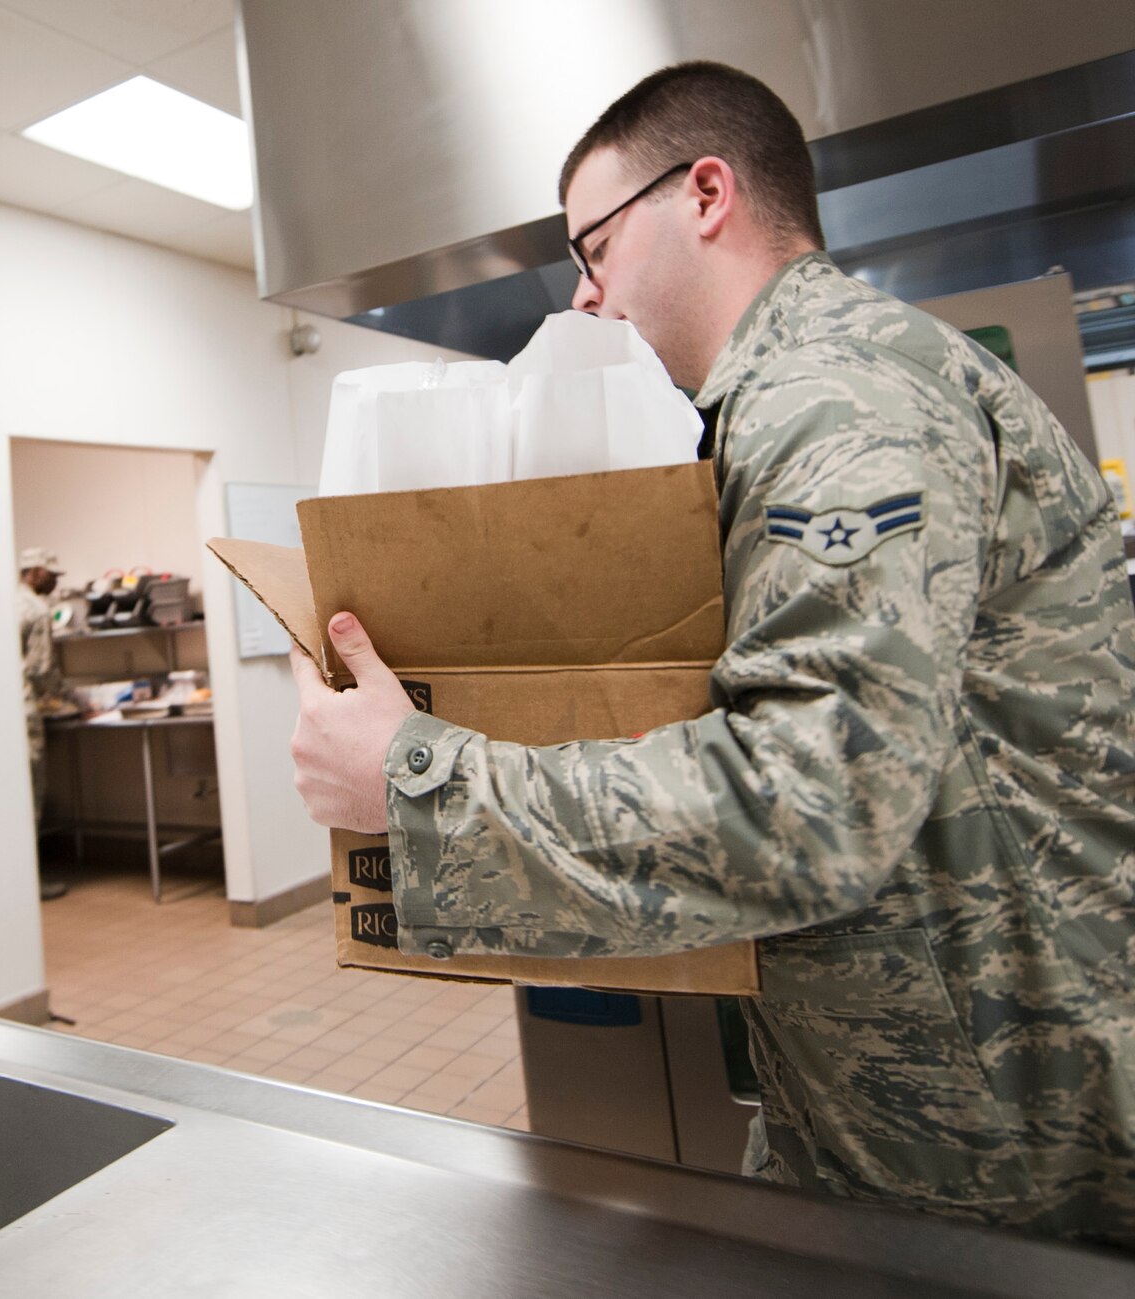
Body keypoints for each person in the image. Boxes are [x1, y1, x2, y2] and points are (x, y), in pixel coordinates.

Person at [288, 61, 1135, 1248]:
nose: (582, 298)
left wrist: (412, 781)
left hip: (995, 1156)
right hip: (912, 1118)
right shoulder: (789, 402)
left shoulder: (833, 400)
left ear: (702, 194)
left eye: (591, 246)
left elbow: (815, 801)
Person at [19, 547, 69, 901]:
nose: (55, 582)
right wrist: (73, 698)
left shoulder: (5, 602)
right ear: (35, 572)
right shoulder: (37, 610)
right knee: (30, 796)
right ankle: (30, 882)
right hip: (24, 711)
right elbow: (41, 669)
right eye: (51, 575)